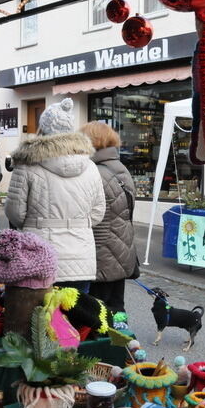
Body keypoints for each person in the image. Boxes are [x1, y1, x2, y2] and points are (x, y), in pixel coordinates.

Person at [5, 98, 105, 294]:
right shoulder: (90, 166)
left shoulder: (27, 164)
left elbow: (15, 213)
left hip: (39, 253)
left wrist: (39, 222)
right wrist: (75, 223)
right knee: (75, 320)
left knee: (39, 318)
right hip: (80, 256)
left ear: (43, 128)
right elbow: (98, 212)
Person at [81, 121, 138, 322]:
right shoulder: (119, 167)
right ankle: (124, 346)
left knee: (97, 311)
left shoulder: (94, 172)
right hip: (122, 248)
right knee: (117, 306)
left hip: (102, 251)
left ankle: (107, 349)